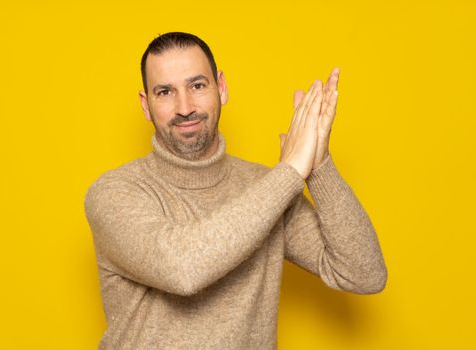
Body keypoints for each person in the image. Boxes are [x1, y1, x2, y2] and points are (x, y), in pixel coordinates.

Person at [84, 31, 387, 350]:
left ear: (222, 88)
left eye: (197, 86)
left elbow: (363, 273)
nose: (184, 107)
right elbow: (183, 269)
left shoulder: (268, 187)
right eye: (165, 92)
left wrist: (319, 164)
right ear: (146, 105)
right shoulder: (113, 193)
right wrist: (291, 172)